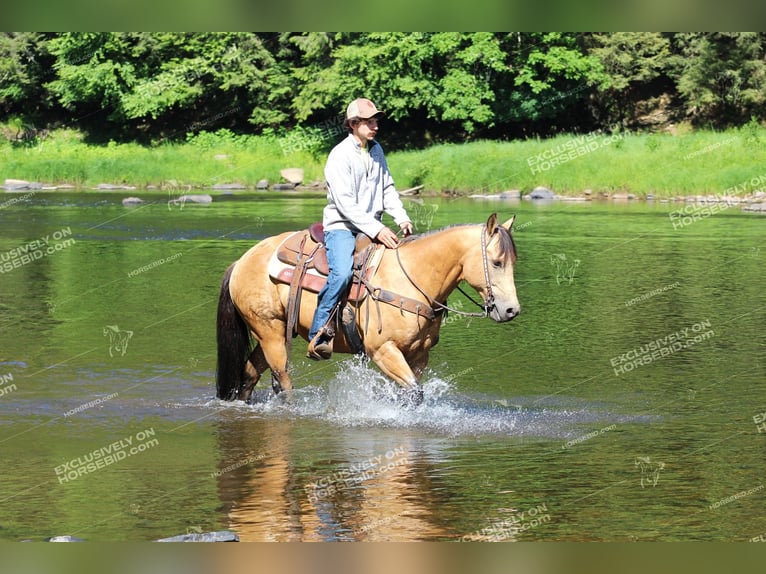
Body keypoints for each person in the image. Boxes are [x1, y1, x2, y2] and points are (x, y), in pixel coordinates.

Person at [307, 98, 413, 360]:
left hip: (370, 226)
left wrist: (401, 217)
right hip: (342, 226)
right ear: (354, 124)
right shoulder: (339, 155)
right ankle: (319, 331)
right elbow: (345, 203)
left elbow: (387, 188)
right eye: (369, 121)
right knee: (342, 273)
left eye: (376, 121)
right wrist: (377, 230)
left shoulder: (376, 150)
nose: (375, 126)